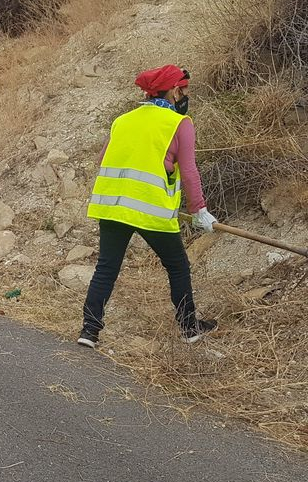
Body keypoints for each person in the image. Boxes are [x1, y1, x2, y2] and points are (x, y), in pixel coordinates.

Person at [78, 64, 219, 349]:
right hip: (151, 209)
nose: (186, 95)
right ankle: (189, 328)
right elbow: (189, 171)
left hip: (113, 205)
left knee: (106, 268)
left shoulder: (123, 120)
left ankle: (89, 331)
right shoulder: (180, 123)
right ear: (173, 90)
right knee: (177, 266)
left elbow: (103, 159)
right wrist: (199, 210)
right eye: (184, 89)